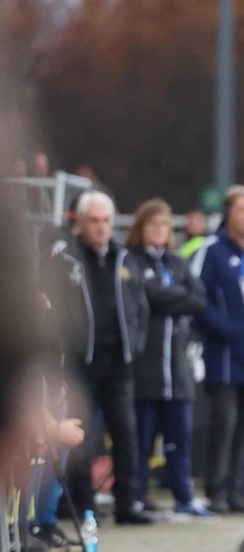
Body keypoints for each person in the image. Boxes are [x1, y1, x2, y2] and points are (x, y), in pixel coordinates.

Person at [56, 191, 152, 525]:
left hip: (119, 362)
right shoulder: (65, 259)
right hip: (81, 363)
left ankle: (128, 504)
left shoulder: (125, 259)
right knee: (82, 437)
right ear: (80, 223)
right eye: (94, 221)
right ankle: (84, 505)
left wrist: (134, 346)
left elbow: (140, 307)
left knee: (126, 432)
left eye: (106, 221)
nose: (101, 227)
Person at [125, 198, 211, 517]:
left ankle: (184, 498)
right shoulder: (131, 260)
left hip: (177, 370)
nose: (160, 230)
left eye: (164, 224)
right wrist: (173, 296)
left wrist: (166, 295)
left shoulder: (176, 262)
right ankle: (135, 496)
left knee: (180, 439)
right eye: (153, 224)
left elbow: (199, 298)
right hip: (145, 370)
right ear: (140, 227)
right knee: (142, 440)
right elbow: (149, 295)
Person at [193, 185, 244, 515]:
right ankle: (218, 488)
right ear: (228, 214)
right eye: (241, 211)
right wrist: (225, 330)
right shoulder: (213, 251)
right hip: (225, 356)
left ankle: (239, 488)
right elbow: (198, 299)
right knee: (224, 422)